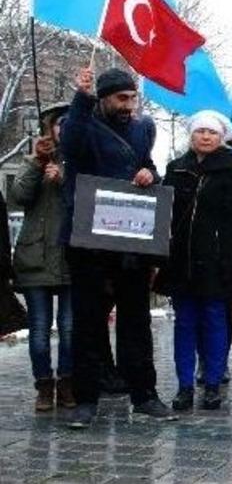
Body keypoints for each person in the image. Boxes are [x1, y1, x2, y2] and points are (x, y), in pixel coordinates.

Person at [60, 67, 175, 427]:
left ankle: (145, 395)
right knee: (88, 323)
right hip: (88, 244)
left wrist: (149, 176)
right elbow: (71, 146)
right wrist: (81, 97)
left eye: (132, 98)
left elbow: (147, 165)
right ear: (104, 98)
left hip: (130, 242)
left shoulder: (142, 129)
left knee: (136, 322)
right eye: (121, 99)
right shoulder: (83, 123)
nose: (128, 105)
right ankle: (86, 399)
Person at [158, 112, 232, 412]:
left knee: (214, 321)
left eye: (212, 132)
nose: (205, 137)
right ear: (192, 136)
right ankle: (184, 386)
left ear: (221, 137)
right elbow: (165, 215)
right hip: (182, 259)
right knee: (184, 323)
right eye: (200, 132)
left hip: (217, 259)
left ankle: (212, 383)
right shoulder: (176, 168)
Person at [7, 103, 74, 412]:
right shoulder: (32, 160)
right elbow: (18, 197)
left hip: (71, 257)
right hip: (35, 256)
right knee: (39, 329)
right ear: (50, 128)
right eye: (60, 123)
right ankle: (43, 385)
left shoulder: (82, 160)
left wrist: (66, 180)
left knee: (71, 328)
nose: (64, 128)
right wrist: (36, 165)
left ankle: (67, 383)